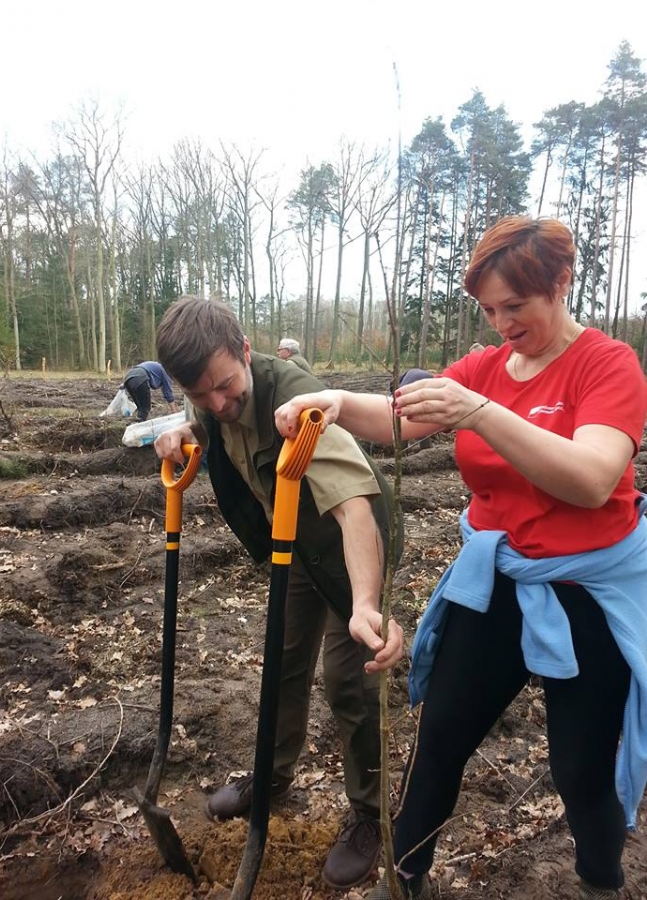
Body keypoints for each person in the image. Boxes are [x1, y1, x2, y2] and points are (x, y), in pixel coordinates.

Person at [275, 216, 647, 900]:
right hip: (498, 581)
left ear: (561, 283)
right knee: (439, 736)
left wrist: (479, 412)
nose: (501, 323)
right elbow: (401, 418)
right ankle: (404, 878)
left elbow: (593, 478)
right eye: (489, 310)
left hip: (584, 593)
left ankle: (601, 882)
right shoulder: (484, 368)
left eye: (515, 306)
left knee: (580, 770)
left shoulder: (607, 363)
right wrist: (332, 401)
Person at [153, 296, 405, 890]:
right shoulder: (209, 397)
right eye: (199, 394)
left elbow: (354, 505)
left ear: (246, 351)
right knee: (283, 661)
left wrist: (364, 604)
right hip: (293, 547)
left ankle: (370, 814)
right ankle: (272, 776)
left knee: (349, 681)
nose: (218, 402)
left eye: (225, 386)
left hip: (350, 548)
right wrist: (188, 428)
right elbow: (212, 416)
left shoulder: (297, 400)